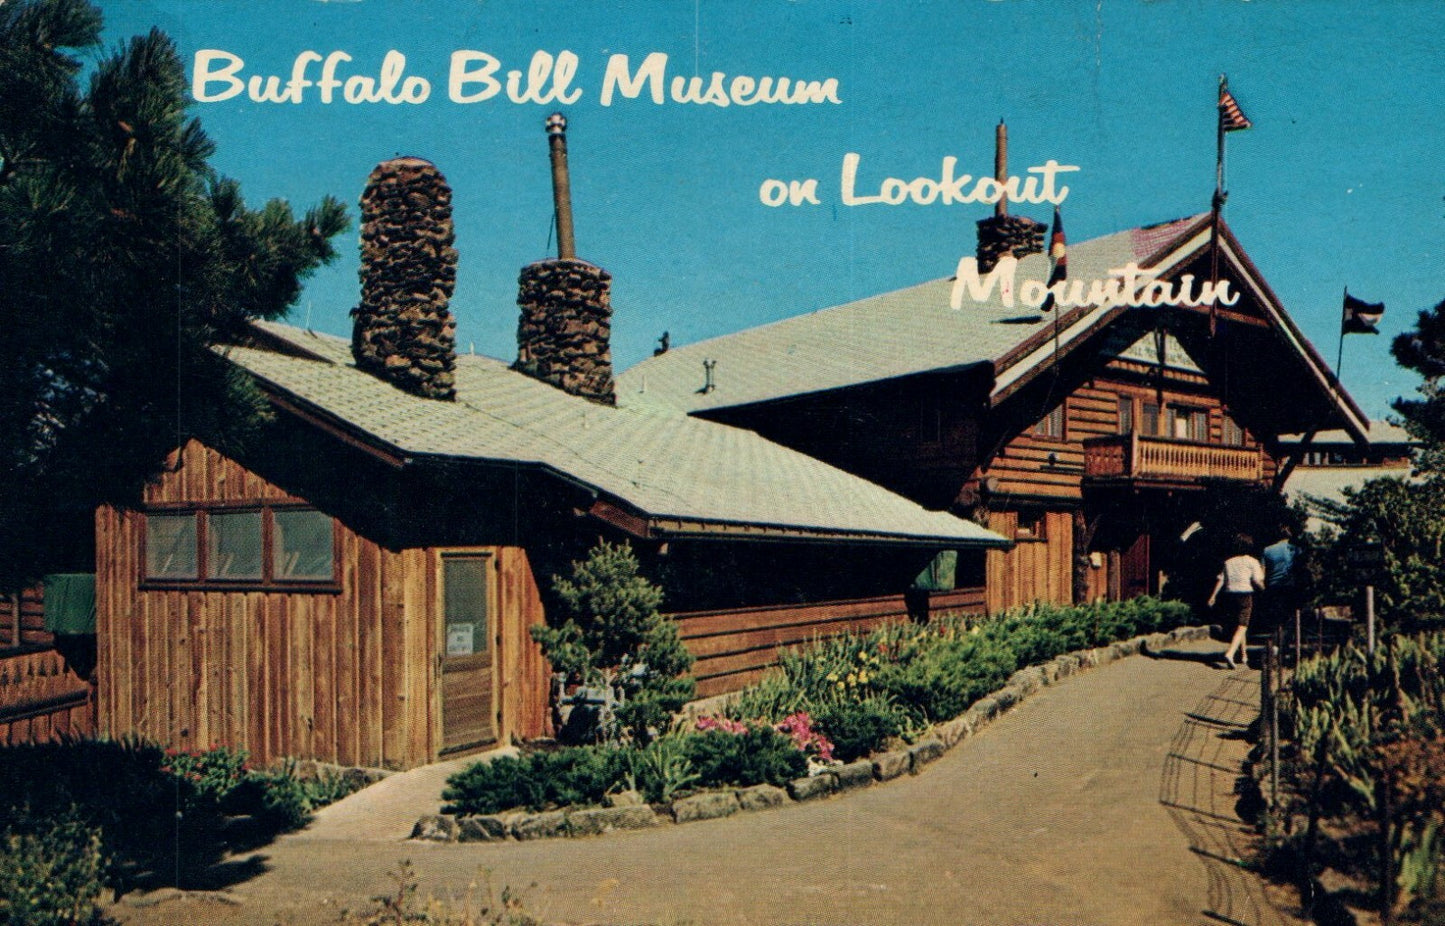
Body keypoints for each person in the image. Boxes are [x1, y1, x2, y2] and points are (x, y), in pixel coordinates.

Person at [1207, 533, 1265, 669]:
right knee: (1243, 625)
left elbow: (1221, 579)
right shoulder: (1252, 561)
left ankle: (1244, 655)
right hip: (1245, 594)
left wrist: (1213, 596)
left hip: (1230, 594)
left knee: (1238, 626)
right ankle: (1230, 653)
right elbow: (1257, 580)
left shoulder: (1228, 562)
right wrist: (1264, 589)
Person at [1260, 525, 1299, 634]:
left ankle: (1275, 641)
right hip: (1289, 586)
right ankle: (1284, 644)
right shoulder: (1295, 550)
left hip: (1272, 586)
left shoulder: (1267, 550)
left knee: (1275, 616)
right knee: (1288, 617)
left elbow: (1262, 573)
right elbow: (1299, 569)